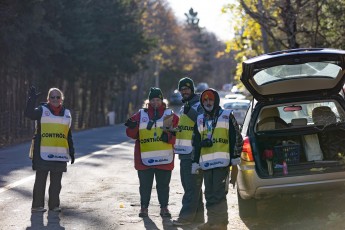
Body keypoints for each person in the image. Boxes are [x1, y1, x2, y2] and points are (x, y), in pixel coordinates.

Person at [192, 88, 243, 230]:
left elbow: (237, 138)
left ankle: (221, 224)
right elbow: (195, 141)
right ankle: (211, 222)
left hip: (222, 162)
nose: (208, 102)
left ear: (216, 100)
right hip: (206, 164)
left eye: (210, 99)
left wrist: (235, 159)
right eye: (205, 100)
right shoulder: (200, 118)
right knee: (209, 193)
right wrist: (195, 161)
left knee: (219, 194)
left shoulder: (226, 115)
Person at [125, 87, 179, 218]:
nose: (155, 102)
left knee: (163, 186)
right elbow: (131, 134)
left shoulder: (168, 115)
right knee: (144, 186)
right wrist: (131, 127)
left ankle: (164, 208)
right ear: (148, 101)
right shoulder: (141, 115)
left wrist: (170, 137)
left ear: (162, 100)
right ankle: (144, 208)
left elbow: (177, 136)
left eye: (158, 99)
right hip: (144, 158)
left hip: (164, 159)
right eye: (153, 100)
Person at [25, 86, 75, 213]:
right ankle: (37, 206)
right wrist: (31, 100)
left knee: (56, 184)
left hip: (60, 154)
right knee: (40, 181)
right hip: (43, 153)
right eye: (52, 97)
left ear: (61, 99)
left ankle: (54, 206)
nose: (55, 99)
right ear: (48, 99)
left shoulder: (67, 114)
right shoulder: (42, 110)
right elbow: (28, 114)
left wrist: (72, 152)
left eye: (57, 97)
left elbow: (68, 135)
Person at [172, 77, 205, 226]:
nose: (184, 92)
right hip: (184, 153)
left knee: (191, 188)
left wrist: (189, 111)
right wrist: (173, 131)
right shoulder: (184, 106)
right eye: (182, 90)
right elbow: (186, 128)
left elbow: (203, 122)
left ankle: (185, 218)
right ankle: (198, 219)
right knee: (192, 187)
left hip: (194, 154)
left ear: (192, 89)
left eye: (187, 89)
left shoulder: (198, 105)